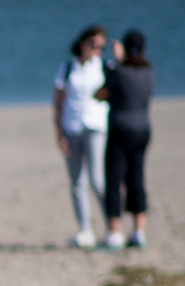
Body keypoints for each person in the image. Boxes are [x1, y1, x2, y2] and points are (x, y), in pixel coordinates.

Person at [52, 26, 110, 250]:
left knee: (98, 179)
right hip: (72, 127)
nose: (96, 50)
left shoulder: (105, 67)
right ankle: (85, 230)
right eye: (93, 44)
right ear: (83, 43)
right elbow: (58, 102)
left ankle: (111, 225)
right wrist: (59, 133)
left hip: (96, 127)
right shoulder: (67, 68)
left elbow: (119, 87)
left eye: (101, 47)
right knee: (77, 182)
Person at [98, 30, 154, 250]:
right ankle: (139, 232)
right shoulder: (149, 71)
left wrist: (115, 61)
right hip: (143, 130)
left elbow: (100, 93)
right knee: (137, 179)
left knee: (114, 180)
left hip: (120, 129)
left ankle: (114, 233)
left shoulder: (118, 72)